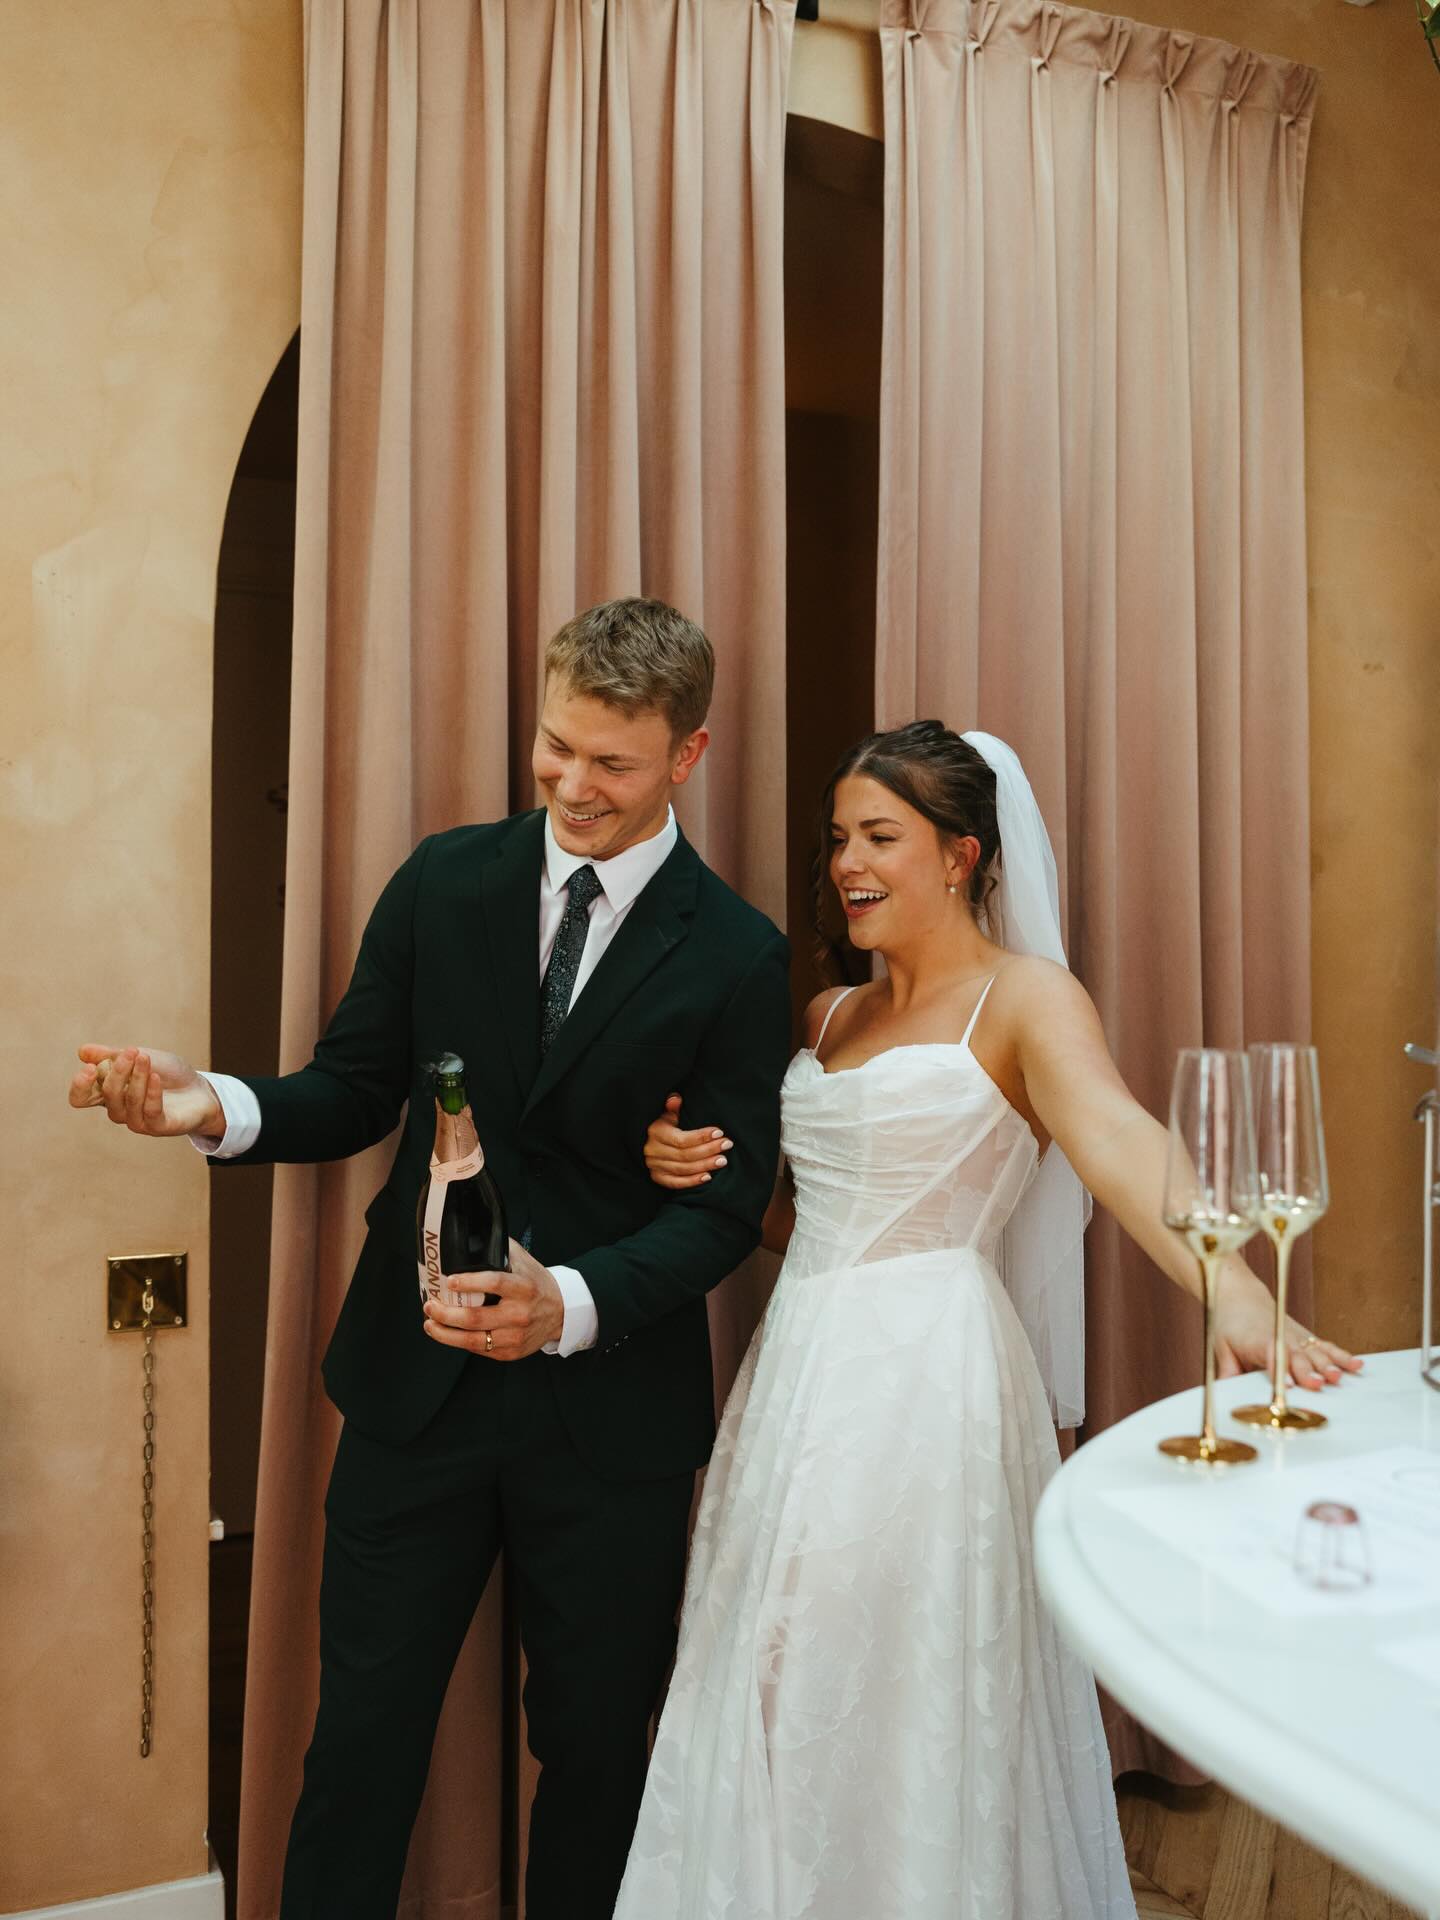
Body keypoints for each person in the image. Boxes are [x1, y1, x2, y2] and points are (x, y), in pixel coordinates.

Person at [67, 599, 793, 1920]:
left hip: (612, 1422)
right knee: (360, 1742)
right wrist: (209, 1104)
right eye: (555, 745)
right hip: (416, 1394)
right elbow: (352, 1090)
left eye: (613, 762)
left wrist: (567, 1304)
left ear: (688, 756)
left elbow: (726, 1212)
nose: (572, 783)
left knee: (596, 1757)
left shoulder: (742, 954)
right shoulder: (443, 881)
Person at [619, 720, 1359, 1920]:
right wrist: (694, 1170)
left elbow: (1117, 1135)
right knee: (772, 1665)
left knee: (902, 1669)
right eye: (839, 839)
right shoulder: (826, 1016)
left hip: (930, 1381)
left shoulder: (1025, 999)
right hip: (798, 1376)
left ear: (961, 855)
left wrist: (1236, 1288)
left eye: (880, 837)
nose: (847, 864)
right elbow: (797, 1219)